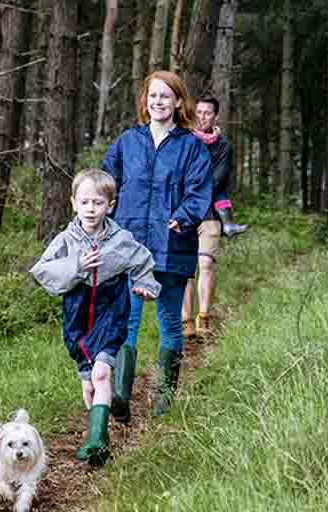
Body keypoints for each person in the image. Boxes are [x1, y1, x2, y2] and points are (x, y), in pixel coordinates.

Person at [101, 70, 214, 419]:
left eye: (165, 96)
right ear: (145, 101)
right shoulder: (127, 142)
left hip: (171, 244)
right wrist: (106, 203)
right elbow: (108, 178)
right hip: (129, 245)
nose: (158, 102)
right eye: (153, 95)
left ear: (178, 101)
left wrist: (182, 215)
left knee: (168, 319)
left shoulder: (191, 146)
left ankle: (165, 398)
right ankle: (120, 395)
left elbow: (199, 191)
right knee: (127, 320)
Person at [30, 169, 160, 467]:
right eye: (85, 202)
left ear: (110, 205)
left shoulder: (121, 239)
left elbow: (142, 262)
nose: (91, 208)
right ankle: (104, 416)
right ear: (73, 203)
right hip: (77, 316)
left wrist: (146, 286)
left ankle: (97, 442)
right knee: (90, 384)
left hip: (110, 311)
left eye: (98, 203)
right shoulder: (65, 240)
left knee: (101, 374)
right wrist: (76, 266)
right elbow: (42, 271)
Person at [183, 97, 248, 340]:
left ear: (215, 116)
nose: (202, 117)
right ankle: (185, 320)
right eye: (198, 112)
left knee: (206, 263)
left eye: (207, 113)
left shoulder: (224, 147)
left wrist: (194, 185)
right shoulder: (184, 141)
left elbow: (217, 180)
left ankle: (203, 316)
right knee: (186, 269)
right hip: (185, 213)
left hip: (209, 213)